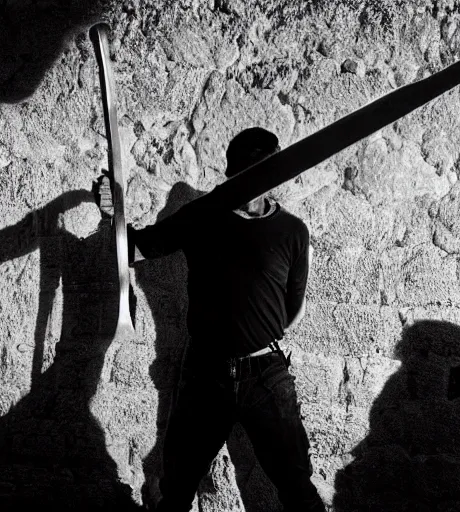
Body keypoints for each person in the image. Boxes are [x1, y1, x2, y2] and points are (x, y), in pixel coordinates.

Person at [98, 127, 325, 512]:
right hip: (206, 374)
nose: (252, 182)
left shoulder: (292, 231)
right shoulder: (203, 216)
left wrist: (254, 331)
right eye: (244, 172)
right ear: (231, 173)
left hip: (266, 376)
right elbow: (135, 251)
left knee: (298, 489)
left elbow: (294, 310)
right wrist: (113, 213)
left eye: (263, 172)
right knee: (177, 490)